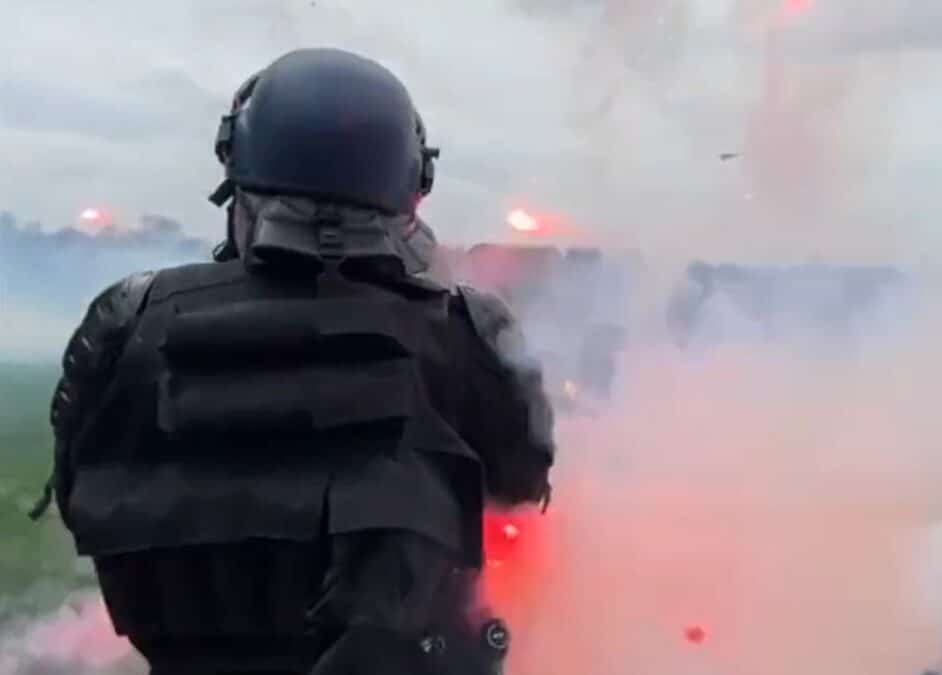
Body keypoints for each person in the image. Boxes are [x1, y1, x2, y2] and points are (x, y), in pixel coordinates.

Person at [32, 47, 555, 675]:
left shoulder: (129, 319)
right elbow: (521, 491)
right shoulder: (466, 331)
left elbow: (79, 487)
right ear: (409, 187)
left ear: (238, 174)